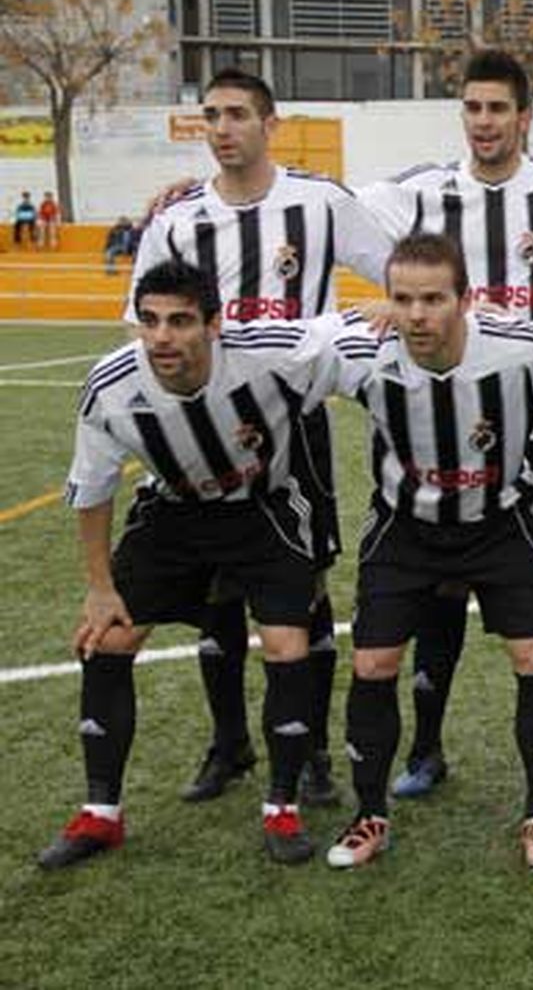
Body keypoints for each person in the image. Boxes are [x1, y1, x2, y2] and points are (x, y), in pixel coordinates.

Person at [133, 67, 394, 809]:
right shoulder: (178, 218)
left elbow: (396, 270)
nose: (223, 128)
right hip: (202, 424)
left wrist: (384, 306)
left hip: (291, 424)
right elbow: (142, 319)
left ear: (269, 123)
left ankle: (307, 748)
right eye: (211, 115)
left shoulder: (319, 203)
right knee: (215, 590)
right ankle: (229, 744)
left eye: (238, 114)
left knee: (303, 588)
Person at [359, 49, 533, 805]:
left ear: (525, 117)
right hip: (446, 417)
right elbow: (321, 210)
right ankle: (428, 748)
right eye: (472, 107)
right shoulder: (421, 194)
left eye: (498, 108)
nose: (484, 121)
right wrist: (182, 196)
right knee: (438, 583)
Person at [38, 260, 343, 869]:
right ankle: (102, 814)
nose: (161, 337)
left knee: (286, 644)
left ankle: (281, 805)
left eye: (179, 321)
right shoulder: (112, 386)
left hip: (265, 512)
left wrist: (390, 312)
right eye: (148, 321)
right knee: (107, 639)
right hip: (174, 512)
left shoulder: (272, 356)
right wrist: (100, 588)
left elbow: (350, 333)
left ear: (214, 324)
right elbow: (92, 490)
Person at [321, 234, 533, 871]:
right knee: (375, 663)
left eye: (434, 299)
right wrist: (353, 316)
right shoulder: (363, 354)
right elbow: (273, 343)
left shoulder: (523, 352)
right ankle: (368, 815)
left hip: (499, 524)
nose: (417, 315)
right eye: (403, 299)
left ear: (466, 300)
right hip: (405, 528)